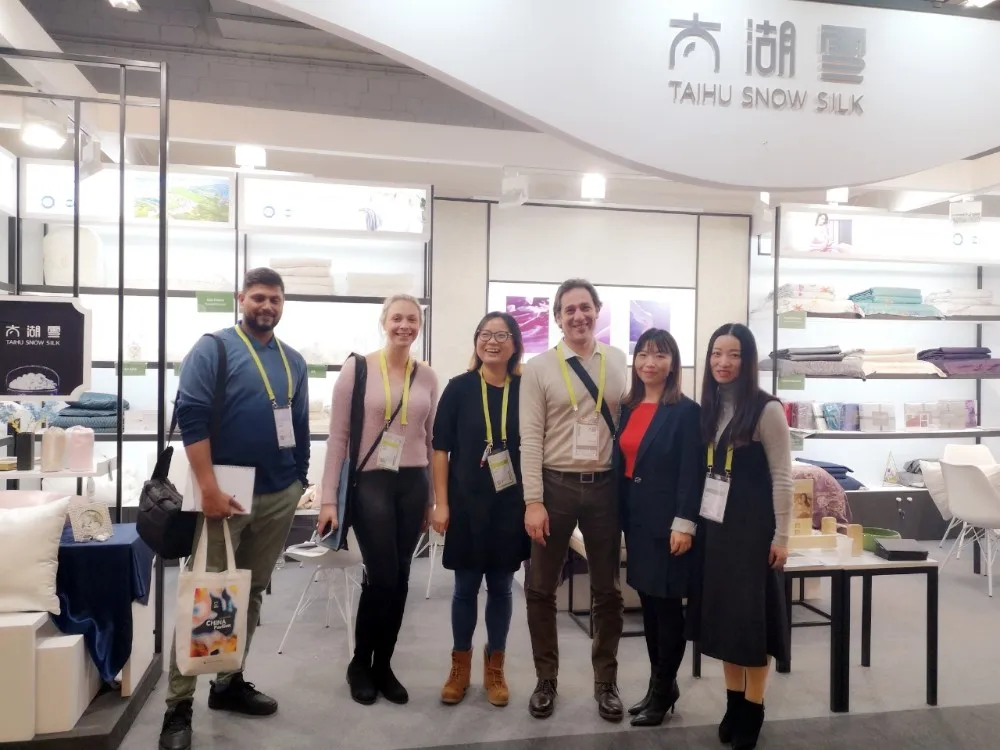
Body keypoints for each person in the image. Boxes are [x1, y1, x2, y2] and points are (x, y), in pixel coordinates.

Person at [159, 268, 310, 750]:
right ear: (241, 298)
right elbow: (192, 417)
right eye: (259, 297)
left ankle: (228, 682)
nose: (267, 306)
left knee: (252, 591)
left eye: (275, 299)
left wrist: (299, 480)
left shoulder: (293, 360)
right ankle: (178, 705)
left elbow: (299, 424)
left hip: (278, 494)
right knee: (207, 596)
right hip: (224, 494)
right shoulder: (214, 348)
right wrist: (207, 488)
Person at [319, 294, 439, 706]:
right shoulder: (357, 369)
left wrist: (432, 499)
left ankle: (383, 664)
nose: (405, 325)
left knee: (401, 575)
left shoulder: (427, 376)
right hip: (371, 481)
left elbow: (431, 439)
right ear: (383, 322)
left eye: (412, 319)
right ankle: (359, 663)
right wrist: (328, 500)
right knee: (383, 574)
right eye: (397, 318)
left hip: (413, 482)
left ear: (419, 325)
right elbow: (338, 438)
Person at [520, 278, 628, 722]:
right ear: (558, 318)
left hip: (605, 486)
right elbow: (530, 437)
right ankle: (546, 679)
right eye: (569, 310)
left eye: (586, 307)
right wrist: (533, 500)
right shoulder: (539, 367)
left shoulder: (618, 361)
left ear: (597, 311)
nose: (579, 316)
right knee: (541, 587)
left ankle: (606, 683)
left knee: (608, 590)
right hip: (555, 485)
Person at [691, 323, 792, 750]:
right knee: (725, 622)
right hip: (716, 530)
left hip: (753, 533)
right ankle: (733, 703)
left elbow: (782, 477)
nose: (724, 362)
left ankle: (754, 707)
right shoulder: (710, 408)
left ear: (748, 361)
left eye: (734, 355)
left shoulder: (767, 410)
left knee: (752, 623)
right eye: (717, 353)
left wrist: (782, 536)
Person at [431, 312, 531, 708]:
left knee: (502, 588)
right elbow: (440, 449)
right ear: (476, 341)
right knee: (465, 588)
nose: (493, 341)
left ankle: (495, 666)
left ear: (515, 343)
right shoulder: (459, 388)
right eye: (486, 334)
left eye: (502, 335)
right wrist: (441, 503)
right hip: (466, 503)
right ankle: (460, 666)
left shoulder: (525, 389)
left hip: (510, 504)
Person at [615, 328, 702, 727]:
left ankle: (662, 688)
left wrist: (684, 523)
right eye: (643, 354)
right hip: (636, 520)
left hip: (668, 525)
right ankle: (660, 686)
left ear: (673, 363)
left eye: (660, 355)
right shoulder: (628, 407)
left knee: (666, 608)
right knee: (648, 605)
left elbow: (691, 472)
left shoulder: (685, 411)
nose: (650, 363)